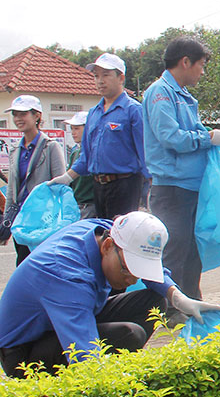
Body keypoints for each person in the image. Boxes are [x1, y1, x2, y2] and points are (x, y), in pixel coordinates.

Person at [0, 212, 220, 378]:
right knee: (129, 334)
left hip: (60, 320)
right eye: (128, 269)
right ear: (107, 246)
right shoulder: (66, 275)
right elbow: (84, 355)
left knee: (154, 300)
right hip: (23, 354)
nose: (132, 280)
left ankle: (119, 364)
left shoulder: (103, 230)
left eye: (140, 271)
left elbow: (147, 269)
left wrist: (178, 297)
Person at [142, 36, 220, 310]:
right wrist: (209, 137)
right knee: (174, 250)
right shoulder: (161, 93)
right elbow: (170, 137)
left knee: (192, 251)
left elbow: (191, 133)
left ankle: (193, 303)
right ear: (185, 62)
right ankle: (169, 309)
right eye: (201, 65)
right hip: (172, 187)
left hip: (191, 186)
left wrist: (215, 136)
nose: (203, 72)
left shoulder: (183, 96)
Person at [49, 53, 148, 218]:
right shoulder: (94, 113)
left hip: (125, 184)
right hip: (99, 186)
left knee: (119, 236)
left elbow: (145, 151)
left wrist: (152, 184)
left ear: (121, 78)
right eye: (96, 76)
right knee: (102, 236)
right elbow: (86, 155)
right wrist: (67, 177)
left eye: (106, 75)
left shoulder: (133, 110)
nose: (100, 81)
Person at [1, 95, 67, 265]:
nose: (17, 119)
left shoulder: (50, 146)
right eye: (15, 114)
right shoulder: (16, 149)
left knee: (41, 265)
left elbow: (61, 185)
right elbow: (11, 189)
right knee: (23, 264)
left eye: (23, 114)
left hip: (42, 220)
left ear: (37, 115)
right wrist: (7, 220)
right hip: (20, 220)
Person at [64, 111, 96, 218]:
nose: (73, 132)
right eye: (72, 128)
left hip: (90, 206)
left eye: (77, 128)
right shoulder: (75, 153)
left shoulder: (95, 152)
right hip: (75, 206)